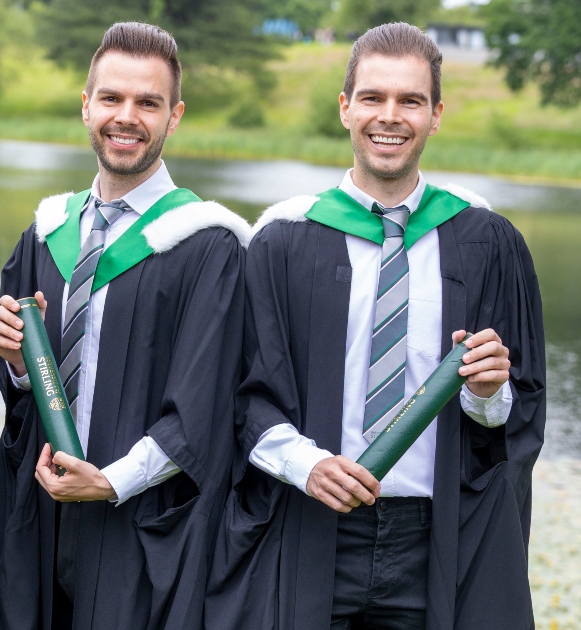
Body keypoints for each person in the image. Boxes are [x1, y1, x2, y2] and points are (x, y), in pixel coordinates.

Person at [207, 22, 545, 630]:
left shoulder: (487, 243)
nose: (390, 117)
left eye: (410, 100)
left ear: (436, 114)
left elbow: (519, 414)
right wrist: (304, 463)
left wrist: (489, 393)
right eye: (373, 97)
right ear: (345, 107)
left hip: (437, 540)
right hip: (305, 531)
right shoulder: (282, 243)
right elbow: (237, 395)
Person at [0, 22, 248, 630]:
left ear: (174, 116)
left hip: (142, 523)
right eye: (111, 98)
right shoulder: (48, 232)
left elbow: (203, 409)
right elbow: (19, 391)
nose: (126, 117)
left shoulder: (208, 245)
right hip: (37, 513)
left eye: (147, 103)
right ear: (86, 107)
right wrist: (19, 365)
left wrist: (109, 481)